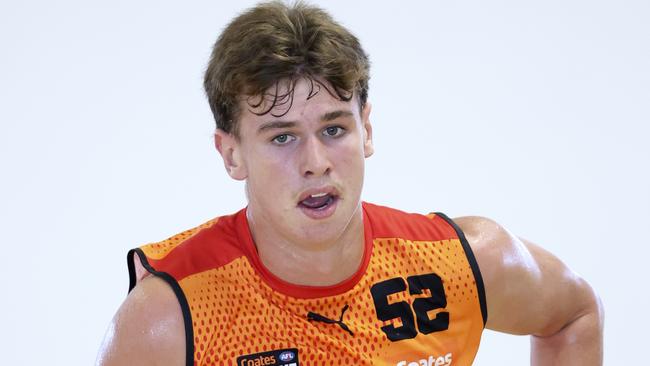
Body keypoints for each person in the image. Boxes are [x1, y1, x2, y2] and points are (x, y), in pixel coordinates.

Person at [96, 1, 604, 365]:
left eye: (334, 129)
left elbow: (573, 315)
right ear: (231, 153)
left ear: (367, 129)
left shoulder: (463, 262)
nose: (316, 162)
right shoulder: (170, 317)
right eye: (282, 137)